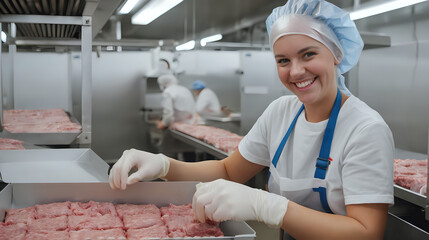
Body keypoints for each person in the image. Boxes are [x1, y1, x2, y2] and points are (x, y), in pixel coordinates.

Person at [109, 0, 394, 239]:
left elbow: (366, 232)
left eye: (308, 54)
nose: (295, 71)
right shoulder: (281, 112)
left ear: (336, 54)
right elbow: (228, 171)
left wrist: (267, 207)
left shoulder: (364, 129)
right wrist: (163, 164)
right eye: (283, 60)